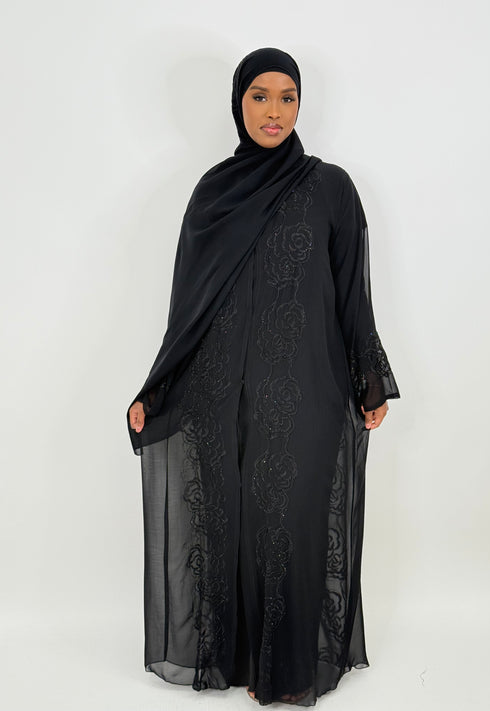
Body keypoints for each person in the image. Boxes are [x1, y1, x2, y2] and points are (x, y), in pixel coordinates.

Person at [127, 47, 400, 706]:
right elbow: (187, 304)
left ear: (300, 104)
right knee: (234, 523)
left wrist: (369, 375)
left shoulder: (330, 186)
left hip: (309, 389)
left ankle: (289, 668)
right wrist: (156, 386)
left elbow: (351, 292)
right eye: (259, 96)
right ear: (238, 103)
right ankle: (242, 658)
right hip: (221, 391)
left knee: (293, 521)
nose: (274, 111)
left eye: (287, 97)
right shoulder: (213, 192)